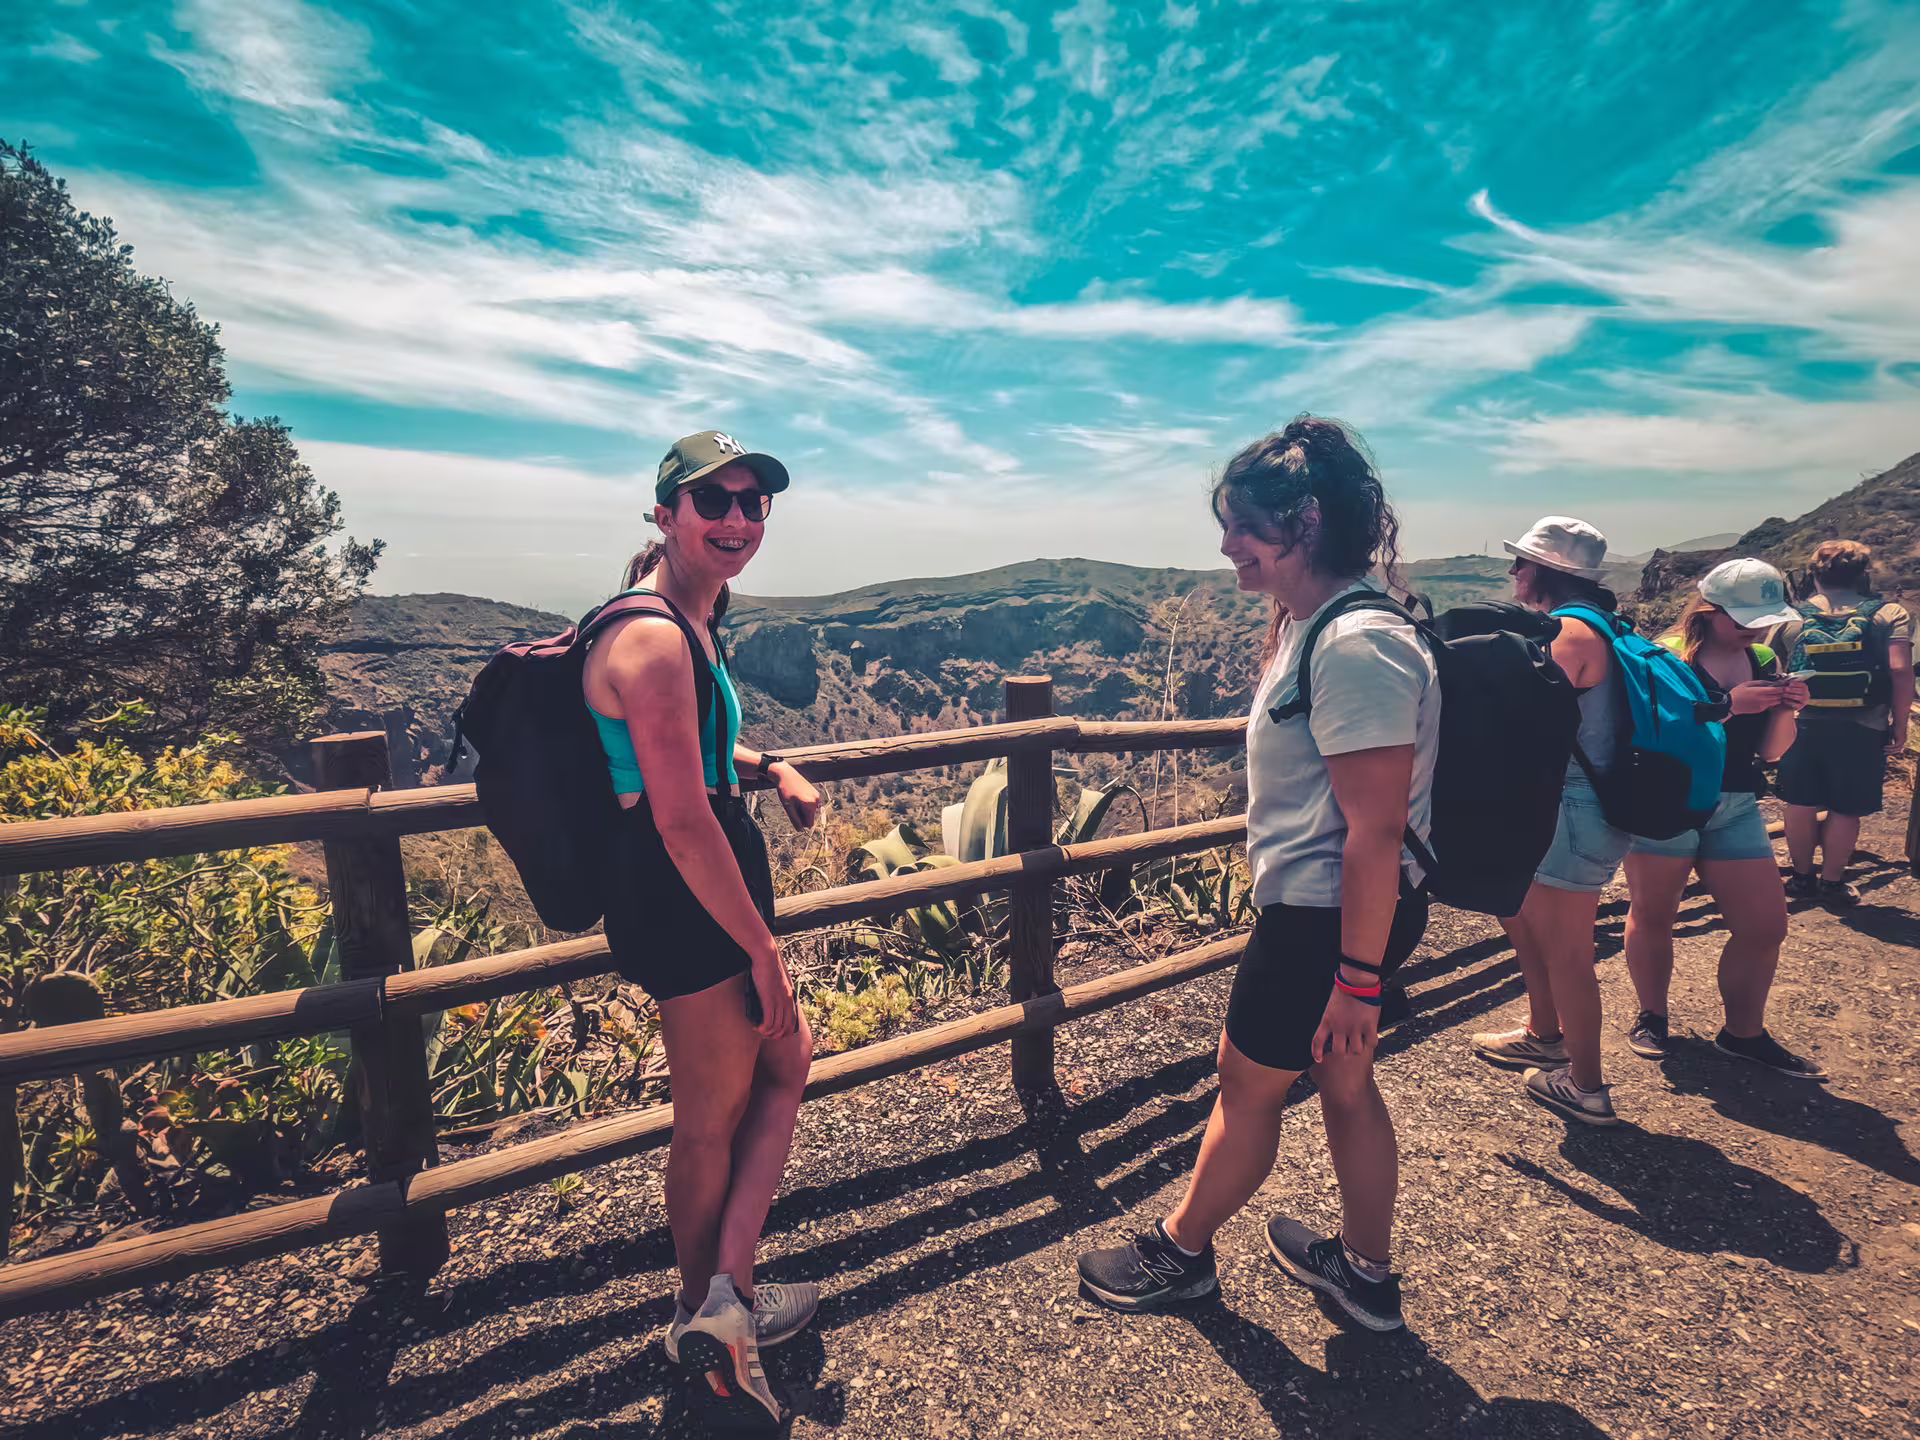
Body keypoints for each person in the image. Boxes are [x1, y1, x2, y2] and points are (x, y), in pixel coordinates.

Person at [1075, 416, 1439, 1332]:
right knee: (1348, 1086)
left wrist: (1354, 979)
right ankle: (1364, 1273)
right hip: (1339, 917)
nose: (1227, 545)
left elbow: (1375, 829)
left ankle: (1182, 1253)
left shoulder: (1354, 644)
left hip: (1325, 921)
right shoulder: (1325, 628)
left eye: (1241, 525)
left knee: (1247, 1089)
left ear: (1303, 522)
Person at [582, 430, 823, 1428]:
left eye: (750, 505)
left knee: (780, 1066)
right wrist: (761, 952)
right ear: (666, 513)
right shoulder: (650, 636)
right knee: (715, 1114)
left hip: (698, 883)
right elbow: (678, 815)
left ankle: (723, 1299)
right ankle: (710, 1314)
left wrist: (767, 766)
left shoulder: (686, 617)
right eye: (711, 502)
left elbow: (687, 746)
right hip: (688, 893)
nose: (734, 520)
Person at [1620, 559, 1824, 1078]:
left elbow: (1774, 754)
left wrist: (1785, 708)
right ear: (1708, 611)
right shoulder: (1664, 656)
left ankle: (1743, 1032)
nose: (1753, 629)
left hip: (1734, 802)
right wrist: (1726, 707)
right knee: (1654, 912)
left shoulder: (1760, 657)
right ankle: (1652, 1015)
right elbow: (1653, 733)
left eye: (1761, 619)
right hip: (1669, 800)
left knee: (1764, 926)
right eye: (1742, 619)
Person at [1469, 517, 1626, 1126]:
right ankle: (1544, 1032)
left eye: (1522, 563)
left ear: (1547, 572)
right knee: (1524, 918)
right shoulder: (1605, 628)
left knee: (1568, 951)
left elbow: (1526, 721)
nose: (1513, 573)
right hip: (1580, 804)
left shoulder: (1571, 636)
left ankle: (1586, 1086)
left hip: (1572, 805)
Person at [1777, 540, 1915, 906]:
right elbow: (1901, 671)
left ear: (1814, 575)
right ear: (1863, 574)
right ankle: (1834, 883)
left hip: (1800, 723)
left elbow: (1774, 671)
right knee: (1846, 808)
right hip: (1863, 725)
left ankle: (1801, 878)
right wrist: (1899, 724)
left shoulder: (1792, 616)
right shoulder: (1889, 614)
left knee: (1800, 803)